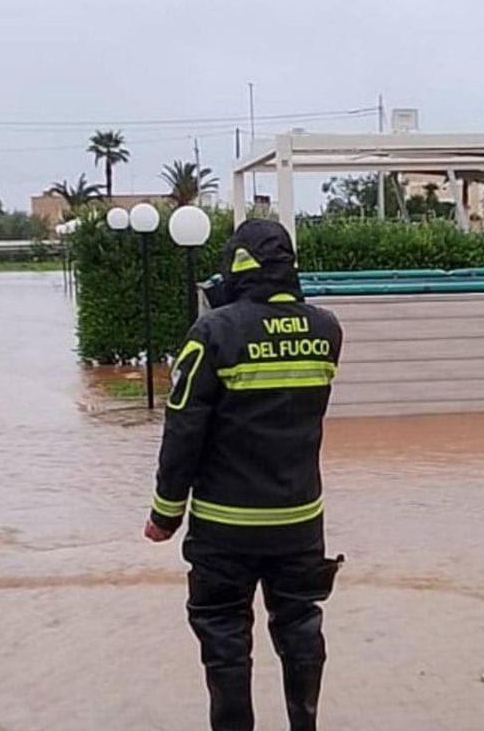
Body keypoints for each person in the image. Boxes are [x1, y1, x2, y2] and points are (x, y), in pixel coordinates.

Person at [144, 218, 344, 731]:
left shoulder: (213, 332)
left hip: (223, 527)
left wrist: (165, 514)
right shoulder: (326, 331)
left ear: (237, 266)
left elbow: (184, 429)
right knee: (300, 626)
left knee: (224, 636)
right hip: (300, 522)